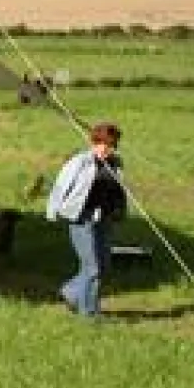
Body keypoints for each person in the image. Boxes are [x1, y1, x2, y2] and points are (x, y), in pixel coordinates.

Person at [46, 122, 127, 317]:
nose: (108, 150)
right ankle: (89, 313)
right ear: (94, 143)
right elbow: (60, 186)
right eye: (104, 145)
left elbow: (119, 191)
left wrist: (120, 211)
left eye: (112, 145)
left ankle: (70, 292)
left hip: (104, 219)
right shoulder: (80, 162)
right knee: (93, 268)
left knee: (104, 265)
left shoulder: (116, 163)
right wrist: (52, 211)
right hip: (81, 219)